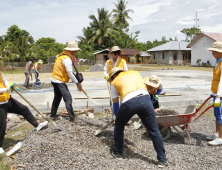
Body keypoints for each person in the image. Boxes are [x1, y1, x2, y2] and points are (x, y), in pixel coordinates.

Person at [108, 67, 167, 168]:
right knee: (154, 130)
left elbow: (116, 104)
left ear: (113, 75)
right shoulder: (135, 73)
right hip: (145, 99)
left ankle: (118, 152)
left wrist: (117, 118)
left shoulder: (114, 82)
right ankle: (162, 159)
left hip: (129, 102)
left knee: (119, 126)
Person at [0, 71, 48, 154]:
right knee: (2, 125)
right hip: (0, 104)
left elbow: (4, 80)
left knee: (23, 109)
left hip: (7, 99)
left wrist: (8, 85)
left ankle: (37, 125)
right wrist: (6, 88)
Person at [50, 41, 83, 122]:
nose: (76, 52)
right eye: (76, 50)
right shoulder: (67, 59)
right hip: (59, 81)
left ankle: (52, 115)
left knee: (57, 98)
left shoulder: (62, 56)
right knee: (68, 98)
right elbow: (69, 73)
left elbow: (67, 71)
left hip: (55, 79)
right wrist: (77, 83)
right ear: (72, 50)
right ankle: (72, 117)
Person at [206, 42, 222, 145]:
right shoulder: (218, 62)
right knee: (216, 115)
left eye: (214, 51)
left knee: (220, 115)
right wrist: (213, 93)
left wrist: (218, 96)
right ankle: (217, 133)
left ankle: (220, 138)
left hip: (220, 95)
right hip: (216, 93)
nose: (212, 53)